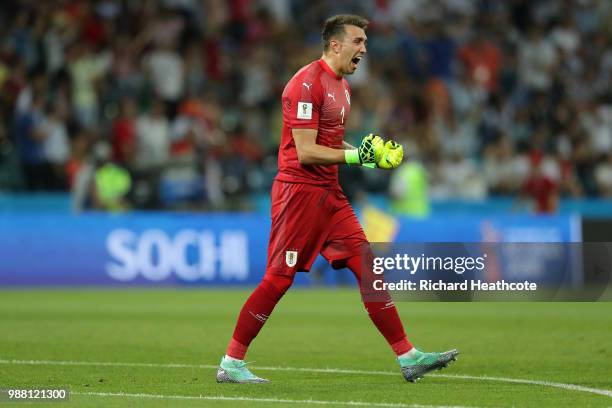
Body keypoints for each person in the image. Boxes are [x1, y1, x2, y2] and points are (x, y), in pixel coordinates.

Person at [217, 14, 458, 384]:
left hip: (329, 194)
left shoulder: (342, 87)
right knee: (279, 279)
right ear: (335, 44)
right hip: (298, 192)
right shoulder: (305, 83)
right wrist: (356, 156)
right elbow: (306, 151)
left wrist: (368, 152)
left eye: (365, 42)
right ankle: (231, 363)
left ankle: (408, 356)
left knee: (368, 267)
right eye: (358, 41)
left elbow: (329, 144)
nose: (364, 48)